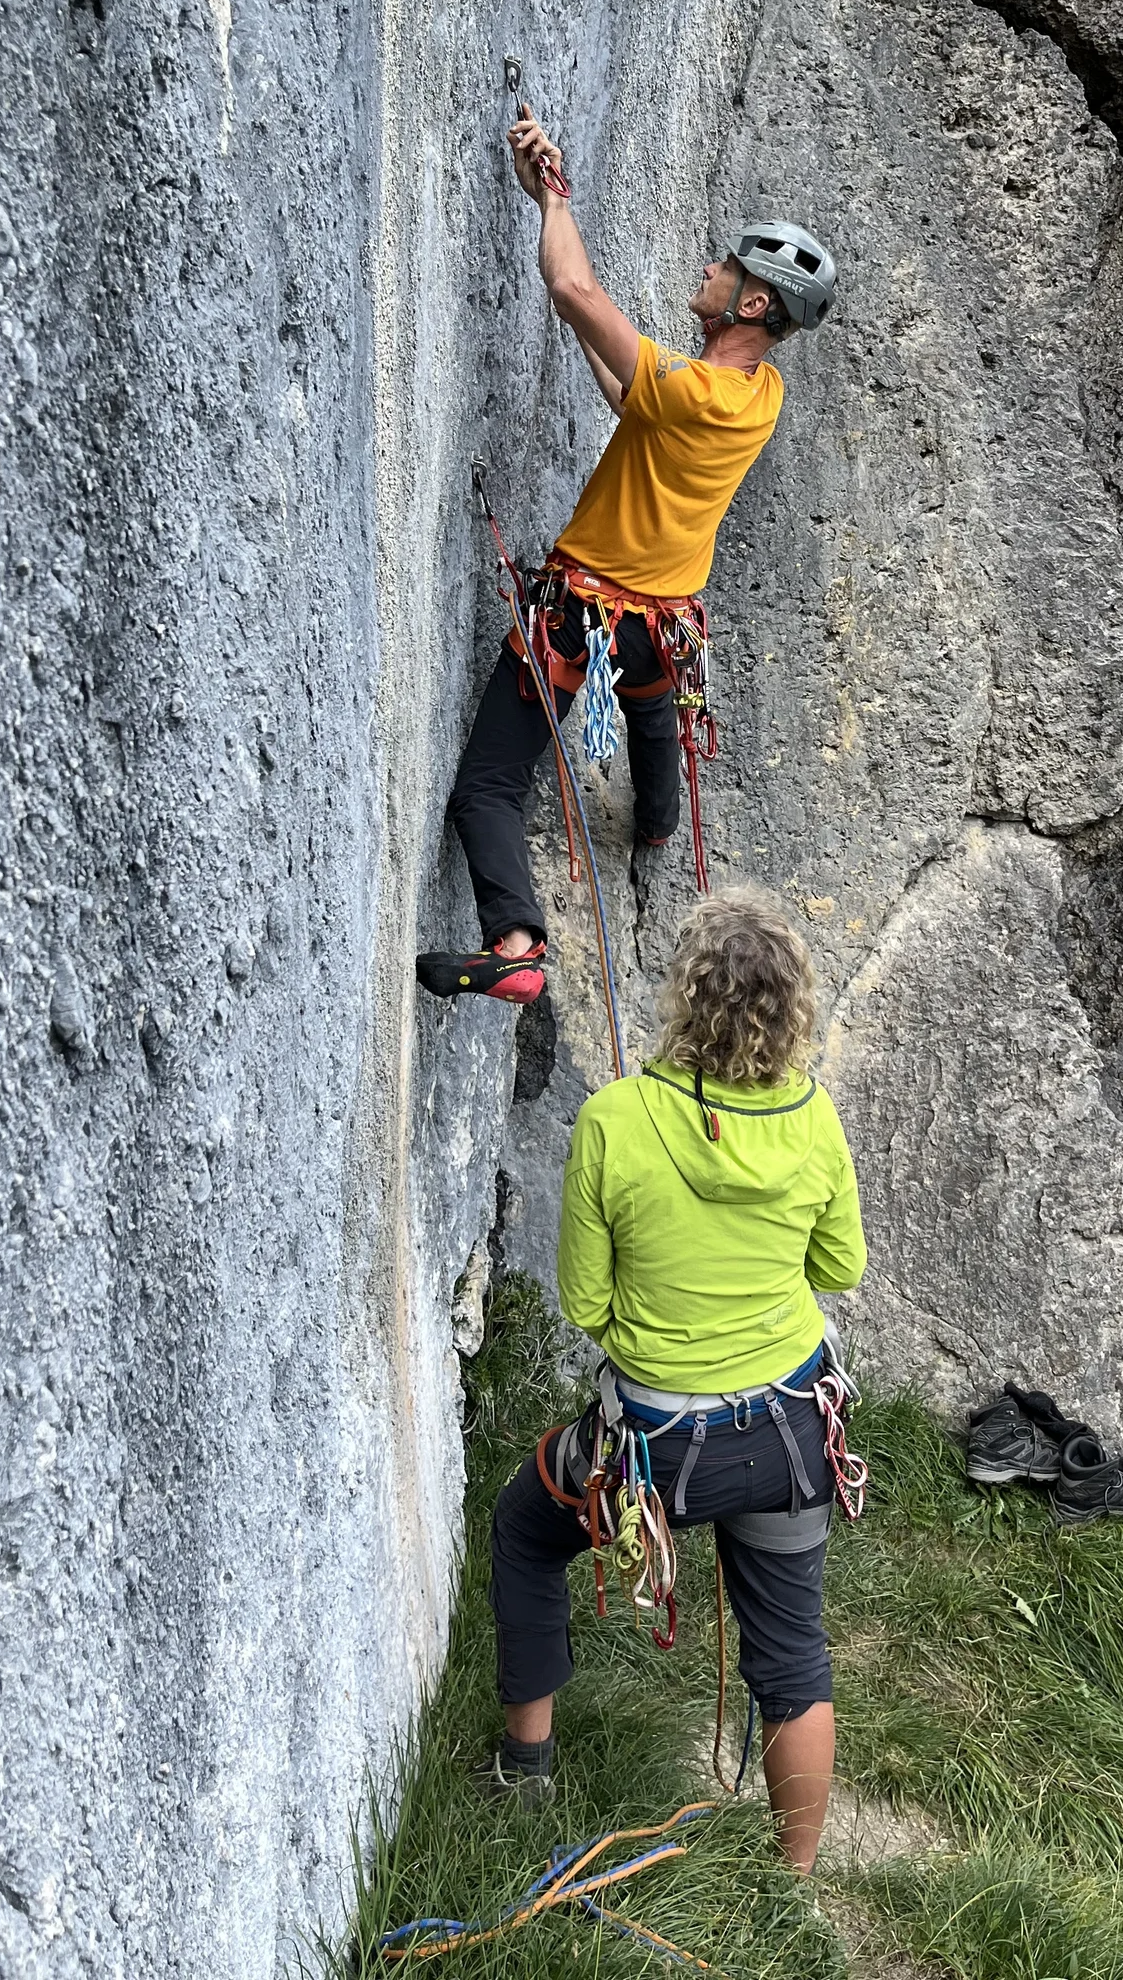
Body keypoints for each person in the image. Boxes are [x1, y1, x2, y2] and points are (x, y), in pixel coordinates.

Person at [415, 109, 836, 1004]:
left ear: (752, 303)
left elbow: (575, 291)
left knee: (487, 787)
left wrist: (551, 199)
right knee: (655, 728)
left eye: (723, 267)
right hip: (660, 634)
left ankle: (517, 946)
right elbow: (630, 393)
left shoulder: (696, 390)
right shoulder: (757, 397)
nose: (708, 269)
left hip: (581, 620)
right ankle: (653, 827)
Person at [486, 890, 867, 1874]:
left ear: (685, 998)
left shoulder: (616, 1119)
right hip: (789, 1432)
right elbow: (840, 1266)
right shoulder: (814, 1118)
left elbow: (582, 1303)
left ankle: (522, 1771)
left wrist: (662, 1342)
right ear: (793, 1012)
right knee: (791, 1653)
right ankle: (794, 1878)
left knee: (523, 1532)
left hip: (657, 1452)